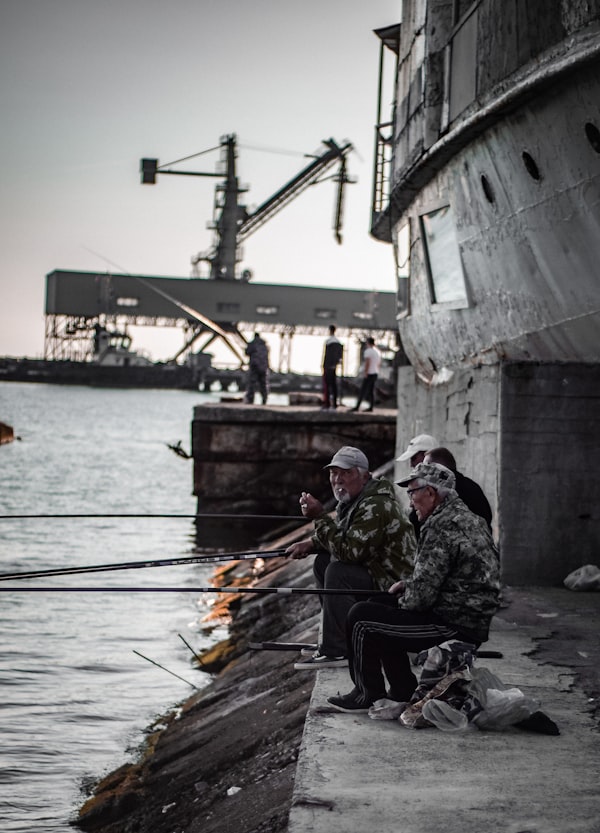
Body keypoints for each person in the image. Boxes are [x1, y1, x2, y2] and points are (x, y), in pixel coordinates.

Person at [326, 462, 500, 713]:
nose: (410, 502)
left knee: (362, 618)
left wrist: (406, 597)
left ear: (431, 493)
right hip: (468, 617)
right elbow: (446, 575)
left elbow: (420, 599)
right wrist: (407, 586)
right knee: (379, 608)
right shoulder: (467, 518)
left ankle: (366, 694)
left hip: (455, 624)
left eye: (413, 492)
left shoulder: (441, 526)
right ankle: (401, 690)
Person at [286, 446, 416, 669]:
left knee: (338, 572)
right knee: (323, 562)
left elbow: (349, 551)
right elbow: (344, 533)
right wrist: (310, 543)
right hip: (378, 573)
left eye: (346, 473)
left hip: (395, 588)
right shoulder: (355, 500)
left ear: (365, 476)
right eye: (333, 473)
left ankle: (338, 650)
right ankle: (339, 635)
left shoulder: (375, 505)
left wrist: (319, 517)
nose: (338, 479)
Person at [424, 446, 492, 532]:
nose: (422, 472)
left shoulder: (443, 490)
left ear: (438, 467)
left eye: (426, 468)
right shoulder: (472, 486)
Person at [352, 337, 381, 412]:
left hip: (369, 373)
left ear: (368, 343)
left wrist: (365, 372)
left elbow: (368, 362)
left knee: (363, 390)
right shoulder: (377, 352)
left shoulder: (368, 351)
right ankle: (371, 407)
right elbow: (378, 363)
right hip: (375, 372)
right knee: (371, 390)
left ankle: (357, 406)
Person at [321, 325, 344, 409]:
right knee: (334, 385)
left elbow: (326, 354)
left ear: (329, 330)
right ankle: (334, 403)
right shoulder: (338, 342)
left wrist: (323, 365)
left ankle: (326, 403)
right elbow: (340, 356)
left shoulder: (328, 341)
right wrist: (336, 364)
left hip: (327, 365)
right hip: (334, 366)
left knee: (326, 385)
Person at [244, 332, 270, 405]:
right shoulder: (265, 345)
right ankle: (264, 399)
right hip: (264, 367)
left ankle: (250, 399)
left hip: (254, 366)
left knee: (252, 383)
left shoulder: (252, 343)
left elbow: (247, 352)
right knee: (263, 384)